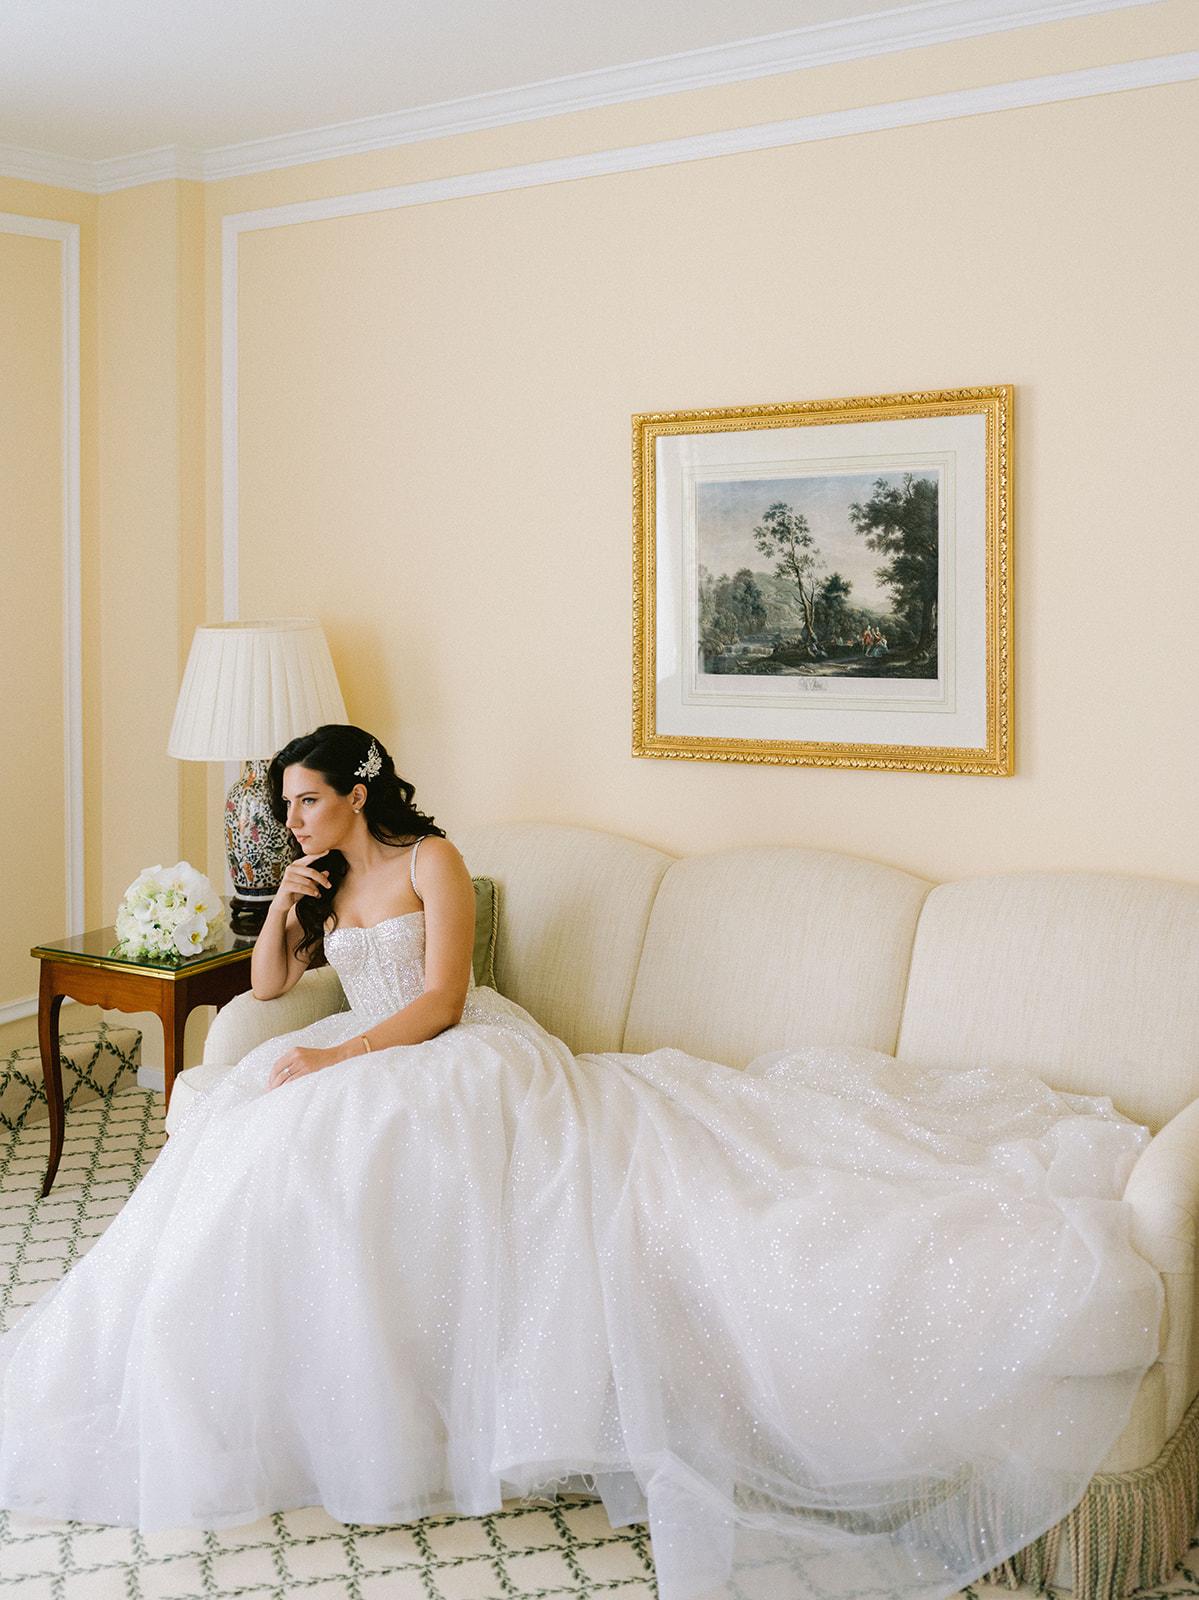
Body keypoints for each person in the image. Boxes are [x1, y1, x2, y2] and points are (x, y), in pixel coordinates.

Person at [0, 726, 1161, 1600]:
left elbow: (445, 998)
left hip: (453, 1054)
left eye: (304, 803)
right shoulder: (322, 882)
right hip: (363, 1054)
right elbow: (262, 996)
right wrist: (283, 907)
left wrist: (342, 1057)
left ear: (356, 791)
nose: (291, 819)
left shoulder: (431, 860)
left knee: (333, 1131)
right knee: (255, 1140)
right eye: (284, 806)